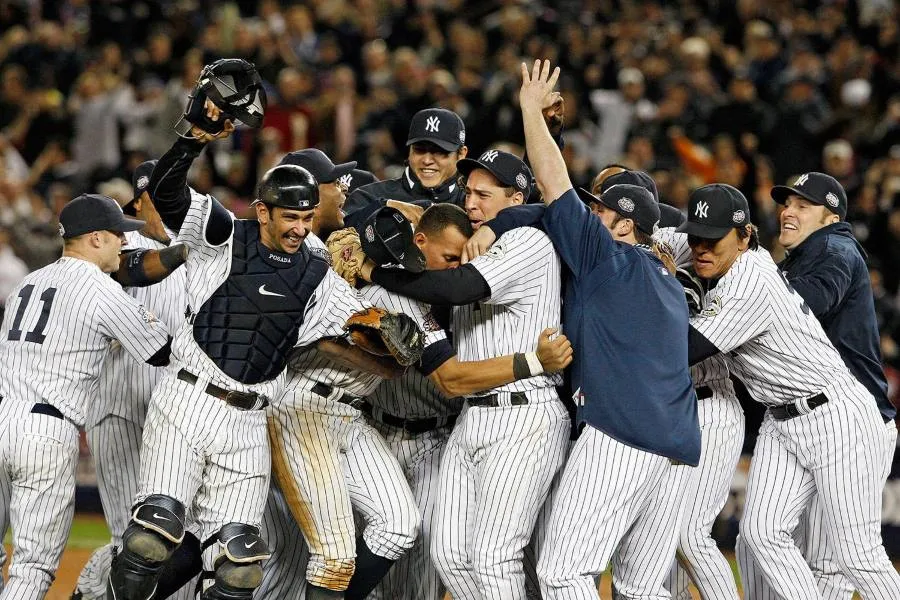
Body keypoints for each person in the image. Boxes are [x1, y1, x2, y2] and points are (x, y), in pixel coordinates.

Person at [107, 92, 420, 600]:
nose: (299, 227)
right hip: (187, 401)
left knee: (239, 571)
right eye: (289, 217)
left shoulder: (317, 272)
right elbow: (167, 197)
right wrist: (191, 139)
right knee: (151, 538)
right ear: (263, 211)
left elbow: (360, 324)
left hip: (251, 420)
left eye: (306, 217)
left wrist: (392, 330)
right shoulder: (225, 236)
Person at [467, 61, 699, 599]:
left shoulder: (607, 261)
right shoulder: (665, 279)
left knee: (562, 573)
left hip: (622, 435)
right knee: (642, 587)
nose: (588, 217)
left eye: (600, 212)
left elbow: (551, 185)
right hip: (680, 445)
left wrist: (530, 113)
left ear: (624, 226)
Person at [358, 149, 571, 599]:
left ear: (515, 198)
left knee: (495, 559)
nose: (470, 202)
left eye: (482, 194)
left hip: (524, 413)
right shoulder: (477, 245)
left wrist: (374, 270)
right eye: (468, 191)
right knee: (450, 556)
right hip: (471, 417)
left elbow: (458, 287)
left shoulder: (528, 243)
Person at [677, 182, 900, 599]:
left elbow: (682, 350)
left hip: (837, 417)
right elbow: (681, 234)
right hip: (782, 418)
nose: (789, 210)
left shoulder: (829, 253)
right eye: (786, 202)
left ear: (744, 237)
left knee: (856, 556)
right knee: (760, 535)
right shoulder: (764, 258)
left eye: (804, 204)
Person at [0, 193, 172, 600]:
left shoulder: (28, 281)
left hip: (2, 413)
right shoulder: (99, 289)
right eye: (117, 235)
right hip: (44, 432)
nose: (125, 243)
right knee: (33, 568)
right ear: (95, 238)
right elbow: (161, 349)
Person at [72, 161, 196, 600]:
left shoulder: (199, 244)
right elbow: (128, 269)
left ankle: (89, 591)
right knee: (135, 536)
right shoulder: (121, 245)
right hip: (119, 405)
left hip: (176, 413)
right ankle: (92, 591)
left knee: (179, 540)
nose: (162, 207)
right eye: (154, 198)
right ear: (140, 201)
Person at [343, 108, 468, 227]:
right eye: (419, 150)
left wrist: (488, 228)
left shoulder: (473, 203)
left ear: (461, 154)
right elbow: (338, 228)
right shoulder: (371, 196)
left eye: (439, 152)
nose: (427, 160)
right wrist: (384, 209)